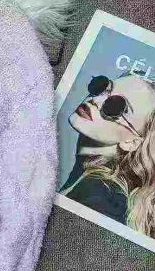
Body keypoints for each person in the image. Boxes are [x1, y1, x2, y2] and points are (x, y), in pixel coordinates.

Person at [59, 71, 155, 237]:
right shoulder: (92, 182)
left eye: (115, 106)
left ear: (131, 142)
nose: (96, 100)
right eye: (103, 87)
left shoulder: (99, 196)